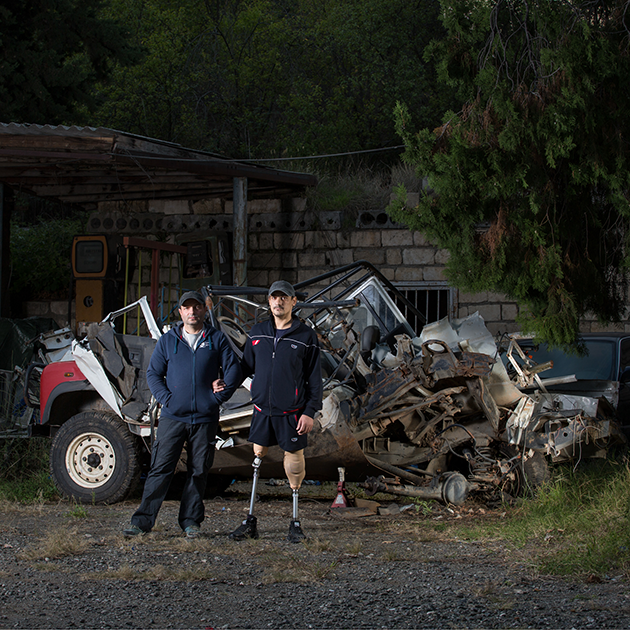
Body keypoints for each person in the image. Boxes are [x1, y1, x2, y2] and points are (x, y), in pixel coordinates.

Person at [123, 290, 241, 538]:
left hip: (205, 418)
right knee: (160, 468)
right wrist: (168, 400)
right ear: (180, 312)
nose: (192, 312)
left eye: (196, 307)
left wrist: (217, 398)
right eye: (187, 308)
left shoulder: (216, 339)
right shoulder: (168, 341)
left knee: (198, 470)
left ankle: (190, 521)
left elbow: (233, 371)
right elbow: (153, 374)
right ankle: (142, 521)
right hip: (173, 418)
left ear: (204, 310)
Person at [227, 280, 323, 543]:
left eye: (284, 298)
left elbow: (315, 379)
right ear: (268, 302)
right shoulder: (258, 332)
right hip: (261, 410)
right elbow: (245, 367)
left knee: (293, 465)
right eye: (274, 298)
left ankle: (294, 523)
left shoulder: (305, 336)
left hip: (292, 413)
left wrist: (310, 411)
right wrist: (223, 384)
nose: (278, 302)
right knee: (257, 460)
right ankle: (250, 521)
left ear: (294, 302)